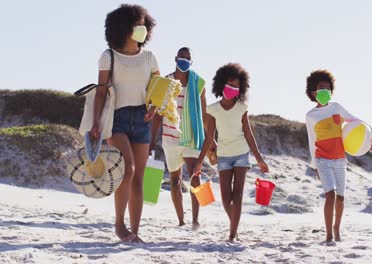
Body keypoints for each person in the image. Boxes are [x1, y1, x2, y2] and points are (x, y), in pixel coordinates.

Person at [90, 4, 159, 243]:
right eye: (137, 24)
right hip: (116, 119)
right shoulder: (108, 56)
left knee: (139, 177)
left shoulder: (150, 58)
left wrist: (153, 107)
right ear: (123, 27)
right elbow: (100, 93)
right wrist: (95, 124)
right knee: (126, 170)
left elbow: (158, 91)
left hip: (142, 119)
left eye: (143, 24)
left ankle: (134, 231)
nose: (141, 28)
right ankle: (119, 225)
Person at [194, 63, 269, 242]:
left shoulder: (242, 108)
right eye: (230, 84)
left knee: (238, 195)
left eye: (237, 86)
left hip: (242, 155)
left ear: (241, 88)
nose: (233, 88)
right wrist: (199, 161)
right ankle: (234, 226)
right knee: (226, 198)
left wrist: (259, 159)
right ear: (221, 84)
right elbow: (209, 137)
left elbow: (249, 135)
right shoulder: (213, 109)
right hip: (224, 156)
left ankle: (232, 234)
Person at [305, 70, 372, 244]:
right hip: (323, 158)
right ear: (313, 92)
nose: (326, 90)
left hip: (339, 158)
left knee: (341, 197)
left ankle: (337, 228)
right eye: (321, 87)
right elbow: (311, 140)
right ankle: (329, 234)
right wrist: (314, 165)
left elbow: (354, 120)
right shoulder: (311, 115)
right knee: (330, 195)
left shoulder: (336, 108)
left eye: (328, 87)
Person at [151, 47, 212, 228]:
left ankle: (196, 219)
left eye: (188, 58)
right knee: (175, 180)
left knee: (195, 172)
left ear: (191, 62)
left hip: (191, 135)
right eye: (182, 57)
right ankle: (181, 220)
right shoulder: (166, 82)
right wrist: (152, 140)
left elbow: (204, 113)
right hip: (170, 137)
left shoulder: (198, 83)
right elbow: (157, 113)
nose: (184, 60)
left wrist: (210, 137)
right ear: (175, 59)